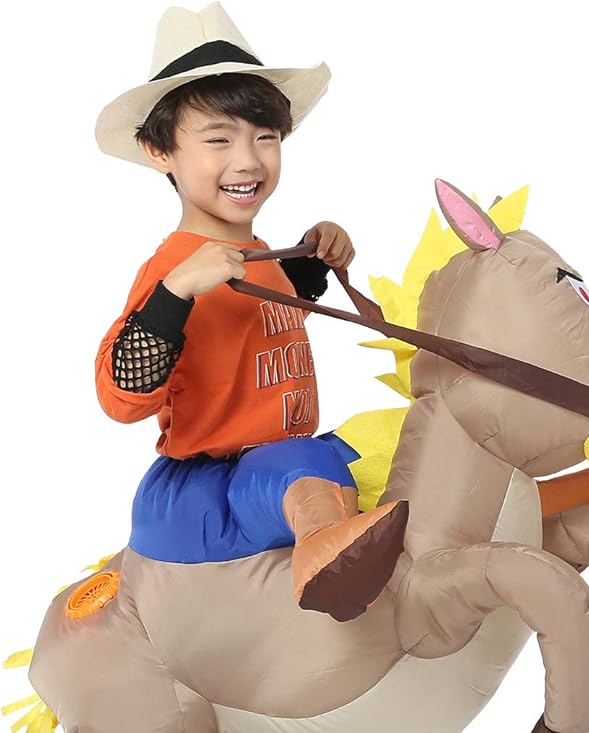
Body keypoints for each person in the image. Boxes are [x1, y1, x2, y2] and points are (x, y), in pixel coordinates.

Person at [95, 1, 408, 624]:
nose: (248, 159)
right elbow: (119, 397)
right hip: (210, 488)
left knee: (396, 438)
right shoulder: (174, 270)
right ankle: (327, 562)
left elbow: (257, 325)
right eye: (218, 140)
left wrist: (313, 262)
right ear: (159, 151)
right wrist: (176, 292)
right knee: (305, 464)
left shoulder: (253, 254)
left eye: (265, 137)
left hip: (278, 465)